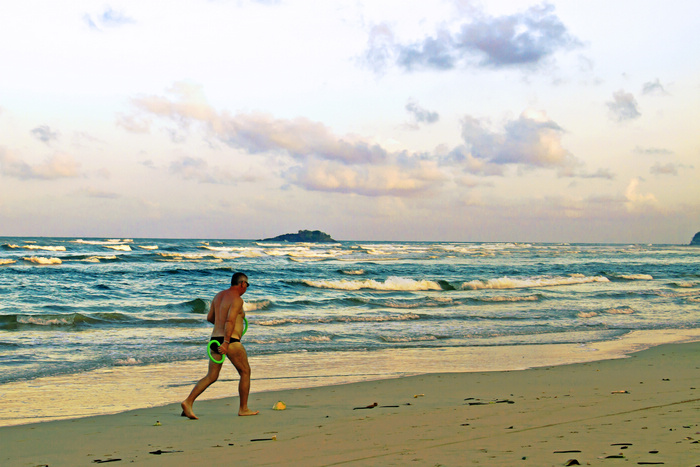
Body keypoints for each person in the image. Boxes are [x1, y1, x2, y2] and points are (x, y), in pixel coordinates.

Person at [181, 272, 259, 418]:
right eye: (247, 285)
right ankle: (243, 408)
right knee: (245, 372)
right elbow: (230, 321)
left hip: (215, 339)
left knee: (211, 376)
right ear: (242, 283)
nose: (246, 288)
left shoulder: (218, 296)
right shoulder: (237, 300)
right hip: (230, 342)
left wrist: (221, 333)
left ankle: (188, 402)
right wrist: (227, 342)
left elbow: (210, 318)